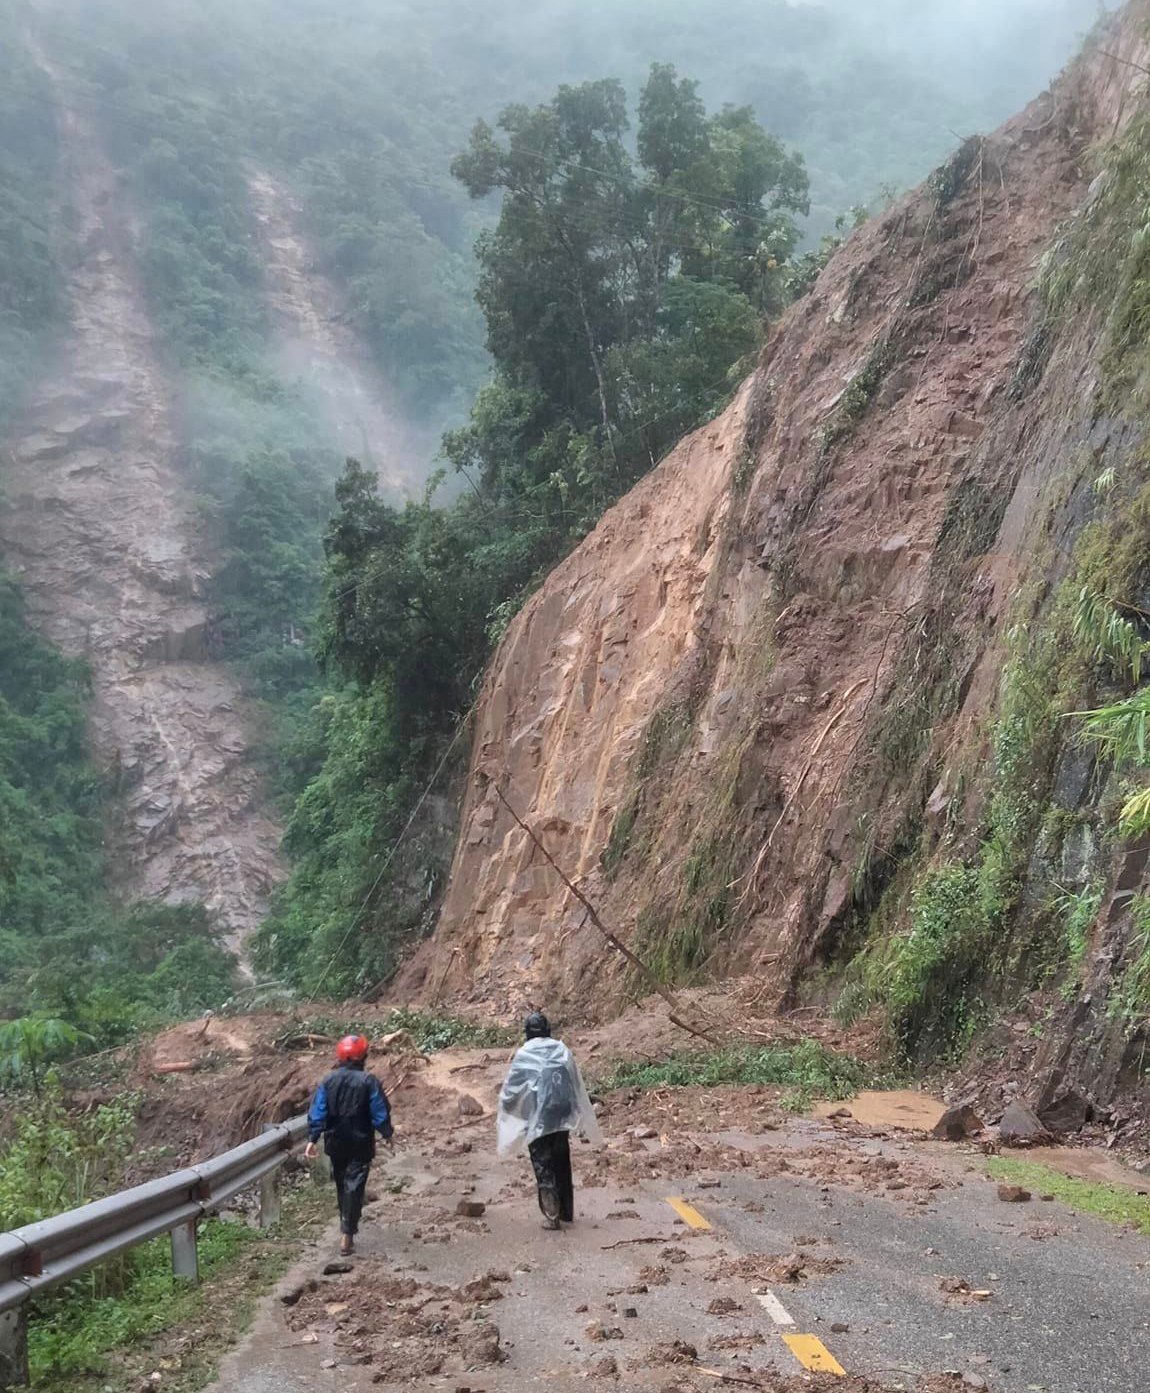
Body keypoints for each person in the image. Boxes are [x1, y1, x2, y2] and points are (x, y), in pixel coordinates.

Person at [496, 1012, 602, 1230]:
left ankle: (552, 1215)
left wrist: (507, 1110)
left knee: (542, 1161)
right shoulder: (561, 1050)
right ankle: (566, 1211)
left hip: (537, 1117)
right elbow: (575, 1082)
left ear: (527, 1032)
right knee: (562, 1159)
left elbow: (513, 1089)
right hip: (562, 1114)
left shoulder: (524, 1054)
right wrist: (577, 1112)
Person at [304, 1034, 394, 1255]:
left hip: (335, 1141)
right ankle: (347, 1232)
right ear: (363, 1056)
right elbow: (379, 1111)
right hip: (361, 1140)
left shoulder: (328, 1081)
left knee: (342, 1182)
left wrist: (312, 1138)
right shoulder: (369, 1081)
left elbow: (318, 1111)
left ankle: (345, 1224)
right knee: (355, 1184)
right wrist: (387, 1133)